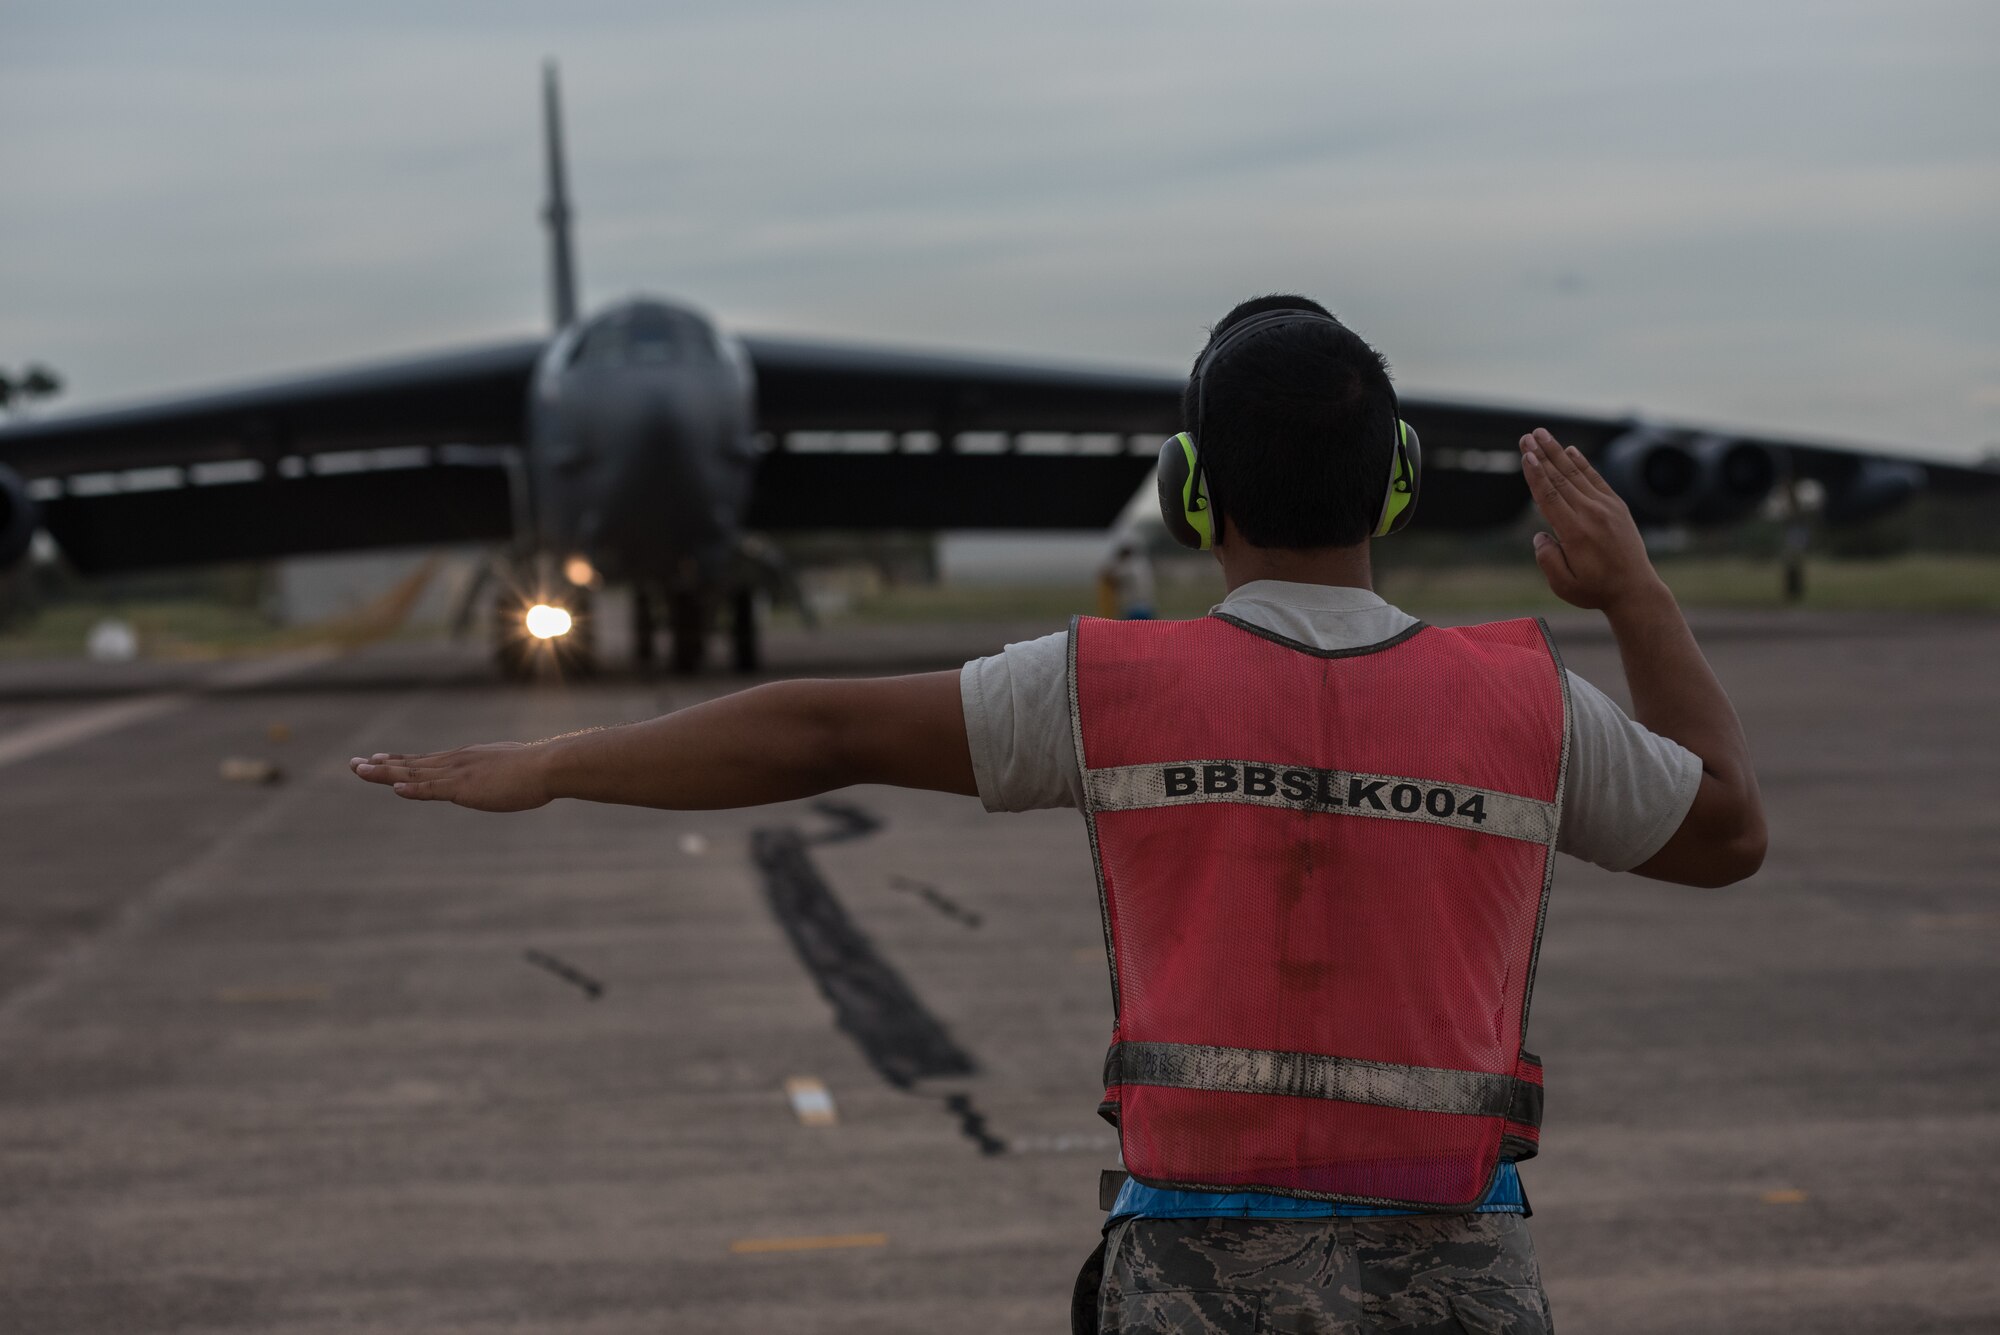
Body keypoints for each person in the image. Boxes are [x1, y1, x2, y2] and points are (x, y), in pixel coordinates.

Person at [351, 295, 1765, 1333]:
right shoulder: (1527, 702)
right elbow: (1724, 835)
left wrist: (556, 760)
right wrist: (1632, 591)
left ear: (1188, 490)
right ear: (1395, 479)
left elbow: (818, 727)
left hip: (1198, 1284)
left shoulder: (1111, 690)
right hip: (1456, 1279)